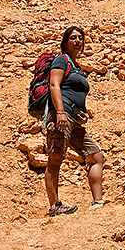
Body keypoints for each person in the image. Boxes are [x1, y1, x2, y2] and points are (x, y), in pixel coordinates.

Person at [43, 26, 104, 215]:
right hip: (62, 115)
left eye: (80, 38)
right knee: (56, 157)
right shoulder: (61, 60)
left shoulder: (76, 65)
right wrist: (60, 112)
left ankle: (98, 202)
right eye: (73, 38)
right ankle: (55, 206)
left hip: (74, 118)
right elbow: (54, 85)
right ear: (65, 42)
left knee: (96, 156)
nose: (78, 41)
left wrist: (80, 113)